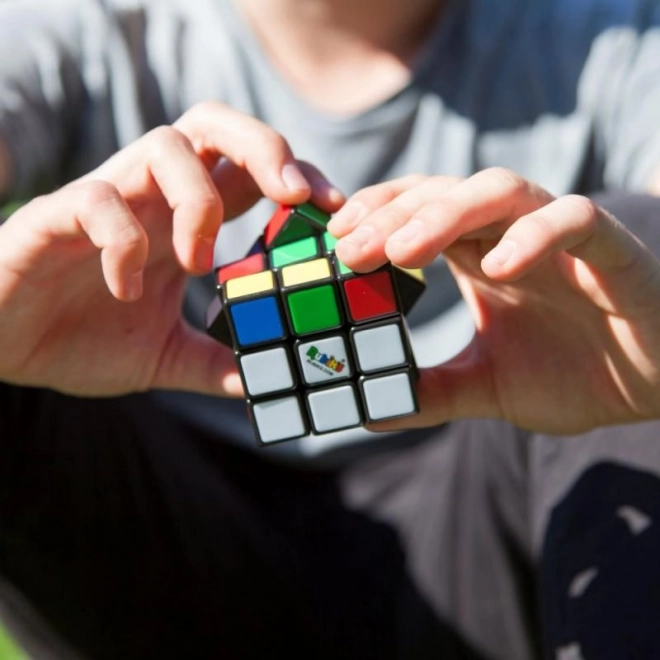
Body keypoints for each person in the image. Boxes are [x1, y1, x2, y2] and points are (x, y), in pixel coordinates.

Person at [0, 0, 660, 658]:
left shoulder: (618, 33)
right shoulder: (82, 27)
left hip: (490, 528)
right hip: (154, 540)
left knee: (637, 267)